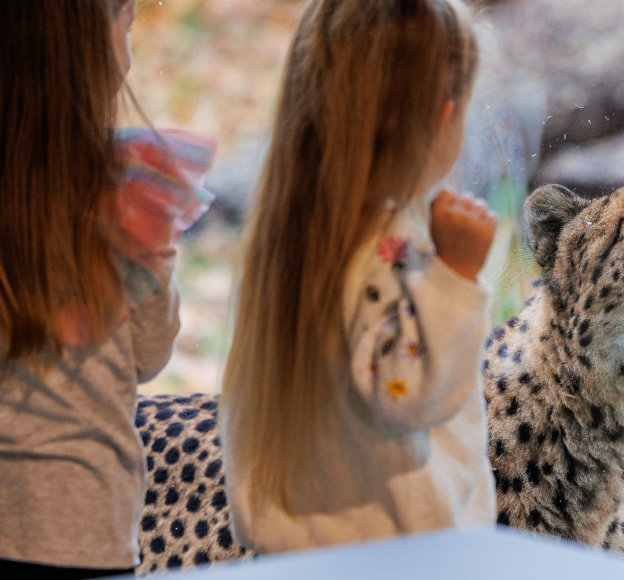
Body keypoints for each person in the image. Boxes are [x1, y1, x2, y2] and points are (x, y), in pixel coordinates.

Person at [220, 0, 497, 553]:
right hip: (390, 554)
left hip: (300, 546)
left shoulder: (296, 233)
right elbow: (407, 395)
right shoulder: (385, 253)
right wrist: (455, 276)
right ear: (444, 116)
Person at [0, 1, 216, 577]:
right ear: (94, 49)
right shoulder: (131, 189)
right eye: (128, 22)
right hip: (86, 524)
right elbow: (150, 357)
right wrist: (156, 248)